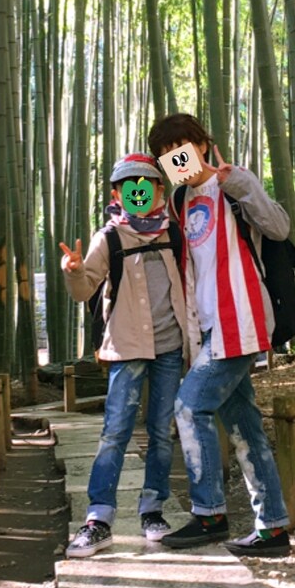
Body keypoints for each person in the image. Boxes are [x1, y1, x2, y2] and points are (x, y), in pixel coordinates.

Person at [148, 112, 292, 556]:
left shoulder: (233, 183)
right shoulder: (180, 200)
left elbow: (279, 228)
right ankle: (273, 528)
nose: (176, 158)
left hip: (242, 319)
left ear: (202, 146)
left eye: (182, 148)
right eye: (166, 154)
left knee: (189, 407)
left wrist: (238, 184)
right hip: (210, 327)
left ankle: (209, 514)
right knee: (244, 426)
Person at [59, 153, 190, 557]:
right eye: (128, 187)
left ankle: (153, 510)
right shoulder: (110, 237)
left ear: (159, 191)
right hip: (127, 346)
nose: (138, 193)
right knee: (115, 431)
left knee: (161, 432)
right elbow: (85, 290)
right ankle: (98, 519)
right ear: (117, 195)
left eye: (145, 185)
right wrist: (74, 270)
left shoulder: (177, 233)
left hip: (170, 346)